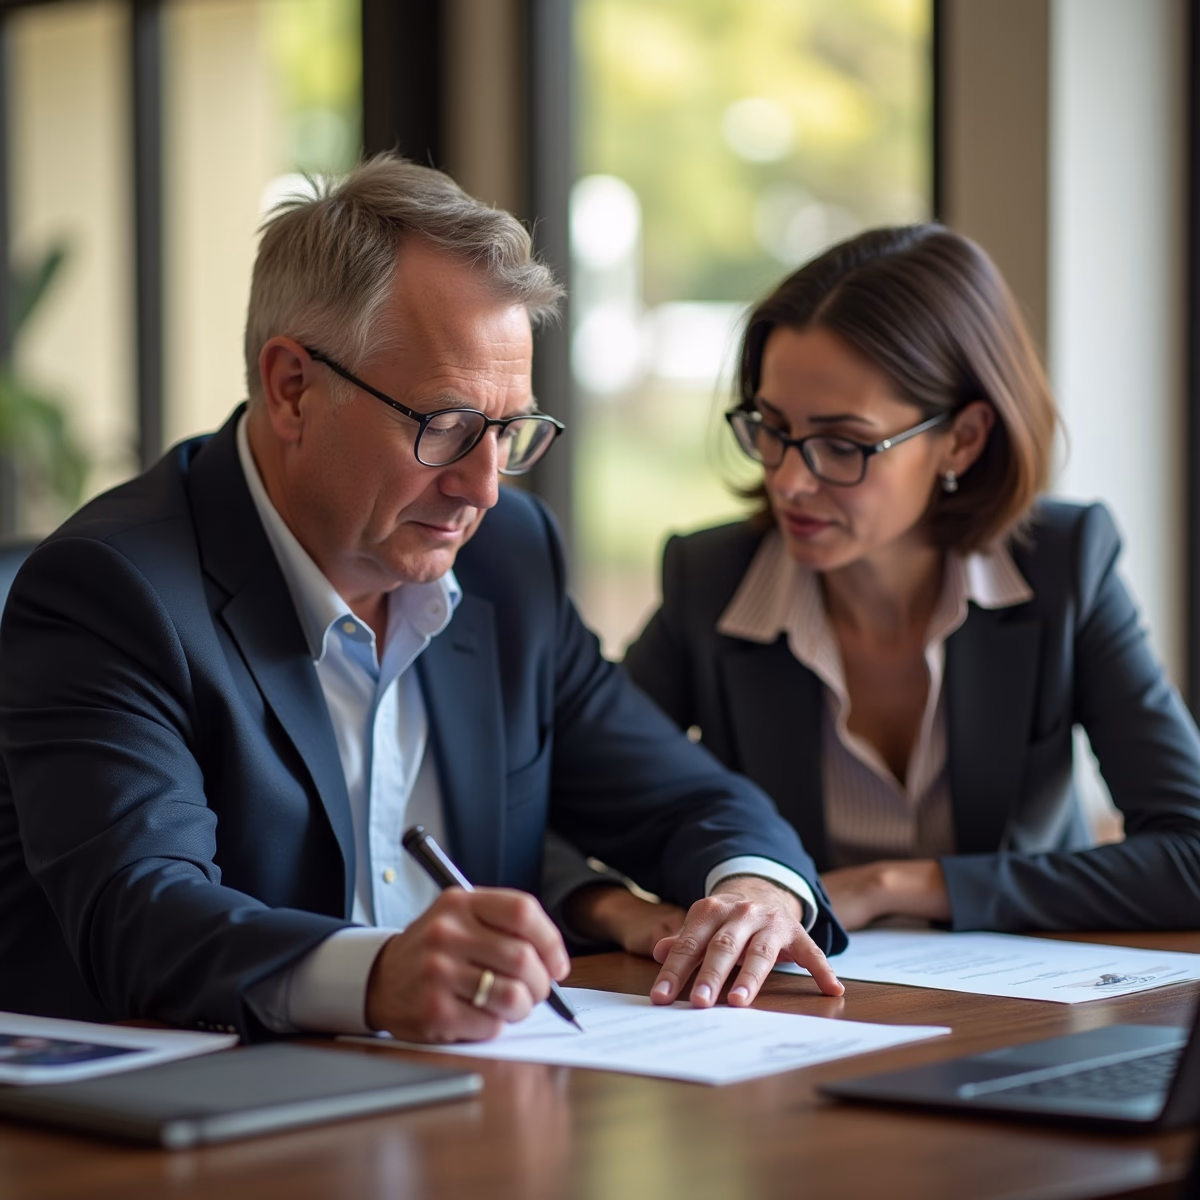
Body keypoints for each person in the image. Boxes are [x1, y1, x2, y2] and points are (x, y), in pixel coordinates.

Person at [0, 155, 846, 1044]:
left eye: (509, 431)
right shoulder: (113, 590)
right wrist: (376, 976)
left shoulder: (509, 559)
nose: (483, 488)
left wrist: (752, 890)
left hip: (474, 1081)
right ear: (292, 389)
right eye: (446, 425)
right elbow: (142, 916)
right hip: (181, 1104)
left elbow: (683, 797)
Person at [564, 223, 1200, 944]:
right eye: (772, 427)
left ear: (962, 439)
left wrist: (889, 886)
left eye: (844, 444)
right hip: (799, 999)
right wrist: (619, 912)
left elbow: (1190, 855)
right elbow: (549, 801)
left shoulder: (1063, 567)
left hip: (1023, 996)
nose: (789, 480)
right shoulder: (711, 585)